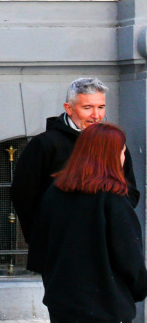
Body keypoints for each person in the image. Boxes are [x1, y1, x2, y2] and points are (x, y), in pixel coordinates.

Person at [11, 77, 139, 273]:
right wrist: (44, 238)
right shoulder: (44, 144)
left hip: (105, 251)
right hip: (59, 251)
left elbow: (130, 192)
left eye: (101, 107)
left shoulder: (114, 143)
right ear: (69, 108)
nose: (96, 115)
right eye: (88, 108)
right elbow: (24, 197)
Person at [34, 123, 147, 323]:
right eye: (122, 152)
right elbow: (129, 256)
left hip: (62, 303)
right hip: (106, 306)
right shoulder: (113, 199)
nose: (124, 158)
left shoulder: (54, 193)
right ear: (112, 156)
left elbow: (43, 244)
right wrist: (139, 289)